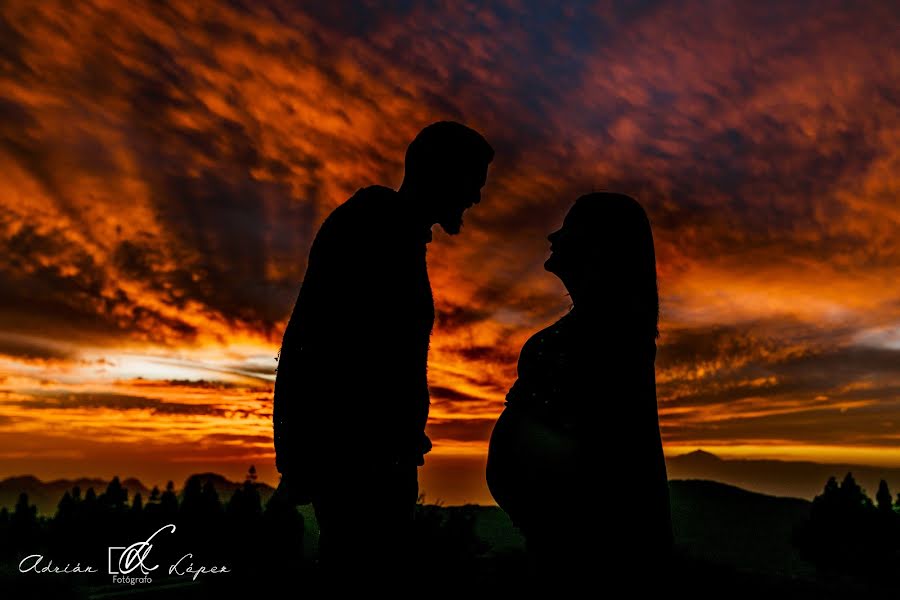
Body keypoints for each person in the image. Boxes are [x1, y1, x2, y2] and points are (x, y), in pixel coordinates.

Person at [272, 121, 493, 580]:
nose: (475, 198)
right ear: (441, 172)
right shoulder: (372, 225)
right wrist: (297, 464)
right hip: (359, 467)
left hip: (378, 462)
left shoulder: (399, 235)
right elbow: (311, 342)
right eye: (472, 182)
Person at [486, 192, 673, 589]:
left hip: (578, 554)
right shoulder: (597, 328)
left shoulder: (613, 337)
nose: (553, 235)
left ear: (599, 245)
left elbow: (615, 452)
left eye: (569, 226)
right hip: (553, 541)